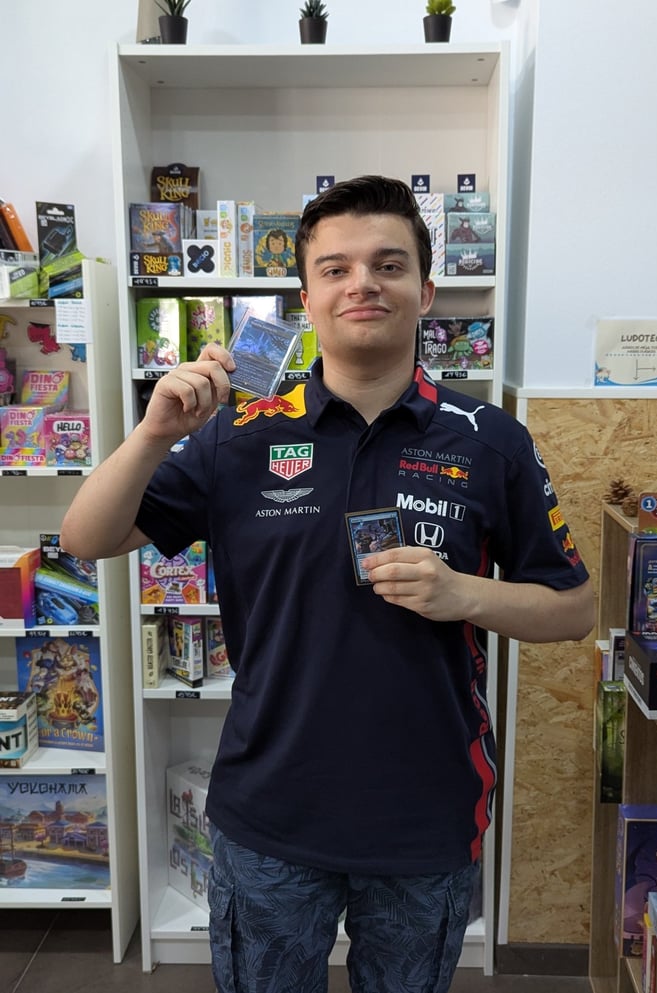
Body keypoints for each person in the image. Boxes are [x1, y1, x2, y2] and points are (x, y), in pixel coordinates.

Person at [60, 175, 594, 993]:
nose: (362, 284)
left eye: (389, 264)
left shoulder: (491, 442)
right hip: (270, 813)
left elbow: (575, 608)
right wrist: (154, 432)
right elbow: (85, 537)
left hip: (426, 814)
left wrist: (465, 593)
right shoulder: (238, 437)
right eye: (336, 269)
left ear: (426, 292)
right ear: (305, 298)